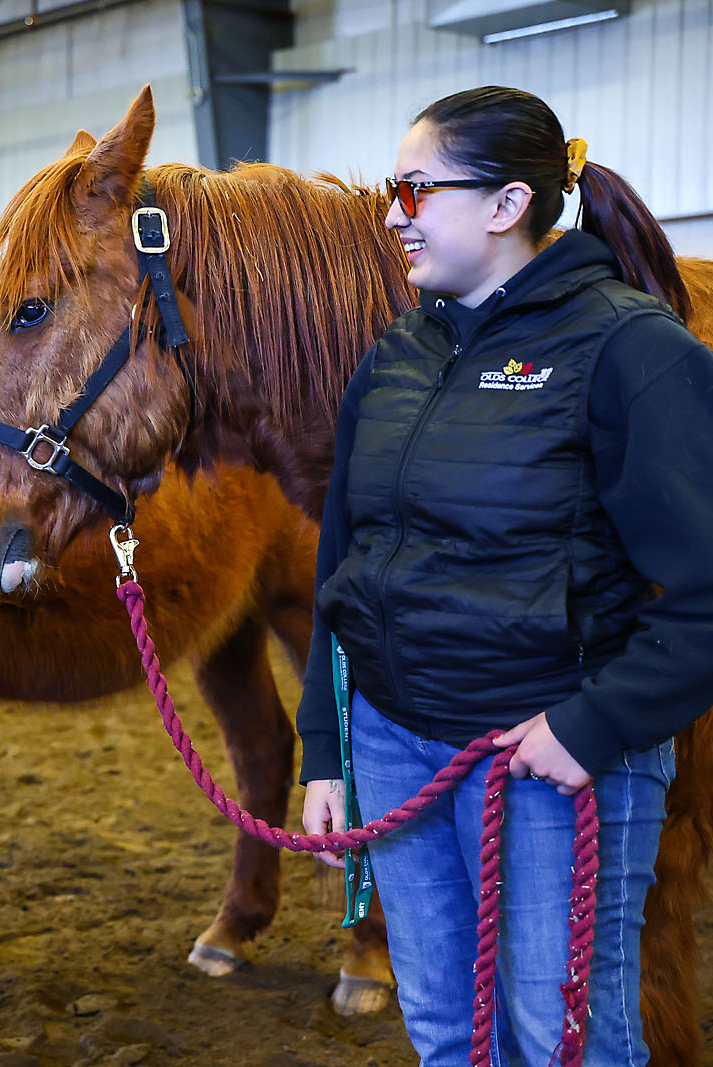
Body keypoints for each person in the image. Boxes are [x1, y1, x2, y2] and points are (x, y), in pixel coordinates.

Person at [298, 86, 713, 1064]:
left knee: (560, 1034)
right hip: (397, 742)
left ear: (504, 204)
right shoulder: (396, 356)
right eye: (388, 192)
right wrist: (327, 746)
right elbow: (345, 564)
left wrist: (591, 725)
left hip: (548, 757)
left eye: (413, 189)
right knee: (444, 1027)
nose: (394, 215)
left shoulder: (629, 349)